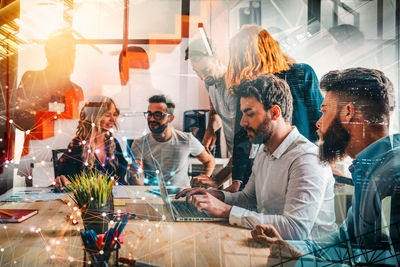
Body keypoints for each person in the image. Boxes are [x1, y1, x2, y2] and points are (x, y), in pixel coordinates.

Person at [251, 68, 399, 265]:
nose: (318, 124)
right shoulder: (369, 169)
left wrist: (302, 262)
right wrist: (289, 246)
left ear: (348, 112)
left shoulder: (393, 178)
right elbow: (346, 241)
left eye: (324, 111)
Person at [176, 74, 337, 240]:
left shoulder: (307, 158)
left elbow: (296, 228)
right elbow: (249, 198)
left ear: (275, 113)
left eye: (249, 114)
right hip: (276, 250)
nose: (242, 122)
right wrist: (216, 195)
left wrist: (226, 210)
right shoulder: (264, 151)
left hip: (310, 258)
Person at [193, 24, 324, 191]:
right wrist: (237, 181)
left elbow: (321, 121)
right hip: (269, 166)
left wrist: (326, 158)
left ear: (261, 52)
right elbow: (242, 138)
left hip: (303, 164)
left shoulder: (301, 74)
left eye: (242, 58)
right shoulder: (250, 86)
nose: (239, 65)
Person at [128, 94, 215, 187]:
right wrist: (135, 176)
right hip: (153, 197)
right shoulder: (139, 143)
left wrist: (201, 183)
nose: (152, 119)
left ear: (171, 118)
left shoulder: (186, 139)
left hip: (183, 197)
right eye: (149, 114)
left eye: (158, 115)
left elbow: (209, 161)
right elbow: (138, 181)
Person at [185, 39, 237, 189]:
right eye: (197, 72)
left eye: (206, 70)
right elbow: (214, 111)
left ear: (218, 60)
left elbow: (245, 147)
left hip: (249, 162)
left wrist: (216, 180)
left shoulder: (233, 89)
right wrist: (210, 130)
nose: (202, 77)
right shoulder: (210, 82)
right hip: (237, 160)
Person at [14, 29, 83, 131]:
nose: (69, 56)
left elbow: (76, 127)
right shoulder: (32, 78)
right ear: (49, 52)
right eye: (64, 49)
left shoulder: (76, 89)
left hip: (63, 145)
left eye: (72, 51)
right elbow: (19, 119)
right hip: (38, 145)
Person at [54, 96, 127, 189]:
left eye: (114, 114)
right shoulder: (78, 144)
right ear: (94, 117)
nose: (113, 119)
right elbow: (65, 175)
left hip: (115, 199)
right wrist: (62, 179)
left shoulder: (113, 143)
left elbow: (121, 179)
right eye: (107, 115)